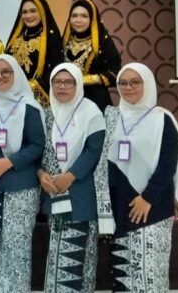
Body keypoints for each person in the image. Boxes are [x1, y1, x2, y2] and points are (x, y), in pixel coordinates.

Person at [106, 63, 178, 292]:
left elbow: (167, 165)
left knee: (149, 273)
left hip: (153, 207)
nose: (128, 87)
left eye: (135, 82)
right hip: (120, 207)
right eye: (123, 83)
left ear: (148, 84)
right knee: (123, 274)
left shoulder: (162, 119)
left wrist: (147, 198)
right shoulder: (111, 118)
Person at [0, 54, 45, 293]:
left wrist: (10, 162)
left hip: (21, 187)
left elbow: (37, 145)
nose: (0, 76)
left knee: (15, 248)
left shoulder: (29, 107)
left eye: (6, 71)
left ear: (17, 75)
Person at [38, 63, 110, 293]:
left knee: (79, 259)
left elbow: (94, 151)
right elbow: (39, 151)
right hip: (54, 194)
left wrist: (71, 175)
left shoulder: (91, 112)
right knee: (58, 255)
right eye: (57, 82)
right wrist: (41, 174)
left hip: (81, 194)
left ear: (78, 84)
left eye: (68, 82)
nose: (62, 87)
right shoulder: (47, 114)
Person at [5, 0, 64, 108]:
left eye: (33, 11)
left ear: (42, 12)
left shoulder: (51, 38)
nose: (28, 16)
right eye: (24, 12)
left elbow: (55, 71)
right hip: (12, 98)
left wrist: (29, 86)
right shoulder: (16, 38)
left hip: (39, 99)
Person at [62, 0, 122, 110]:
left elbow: (115, 73)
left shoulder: (102, 41)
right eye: (74, 16)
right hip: (67, 100)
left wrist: (85, 80)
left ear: (93, 19)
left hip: (94, 101)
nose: (78, 20)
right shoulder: (65, 41)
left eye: (84, 16)